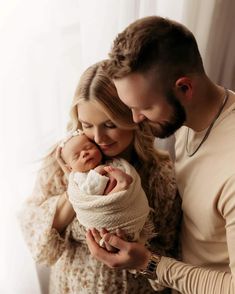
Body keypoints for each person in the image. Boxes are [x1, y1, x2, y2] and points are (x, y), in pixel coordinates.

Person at [85, 16, 235, 293]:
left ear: (184, 88)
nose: (135, 119)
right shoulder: (187, 118)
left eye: (145, 108)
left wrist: (148, 263)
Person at [19, 61, 181, 294]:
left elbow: (171, 259)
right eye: (87, 125)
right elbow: (37, 240)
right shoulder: (66, 158)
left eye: (110, 124)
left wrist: (139, 256)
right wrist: (77, 189)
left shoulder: (158, 173)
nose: (98, 137)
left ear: (133, 117)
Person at [58, 129, 151, 243]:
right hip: (102, 214)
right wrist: (97, 172)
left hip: (127, 211)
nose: (84, 153)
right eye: (76, 156)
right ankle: (122, 185)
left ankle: (122, 185)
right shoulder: (79, 177)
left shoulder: (113, 163)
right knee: (106, 195)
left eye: (88, 148)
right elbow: (88, 191)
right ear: (70, 168)